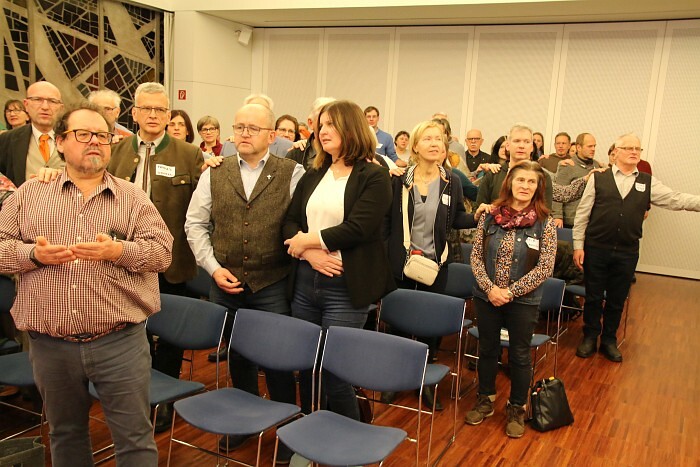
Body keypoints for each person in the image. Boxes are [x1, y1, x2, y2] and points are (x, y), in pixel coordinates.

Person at [0, 103, 173, 466]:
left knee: (135, 439)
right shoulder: (30, 194)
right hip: (50, 346)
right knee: (65, 434)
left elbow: (162, 254)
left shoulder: (133, 198)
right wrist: (33, 255)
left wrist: (118, 250)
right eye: (83, 134)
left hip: (119, 343)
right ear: (60, 142)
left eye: (102, 135)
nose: (95, 141)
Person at [185, 102, 304, 460]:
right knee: (238, 356)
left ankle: (288, 430)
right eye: (239, 127)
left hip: (272, 281)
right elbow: (195, 224)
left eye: (253, 128)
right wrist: (212, 268)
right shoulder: (214, 171)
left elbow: (303, 222)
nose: (245, 134)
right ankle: (245, 422)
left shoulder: (292, 172)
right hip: (225, 281)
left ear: (272, 135)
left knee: (278, 359)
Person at [283, 100, 394, 421]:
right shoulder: (314, 173)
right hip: (305, 281)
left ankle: (351, 439)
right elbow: (290, 222)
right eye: (321, 125)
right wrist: (309, 253)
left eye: (331, 124)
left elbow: (359, 228)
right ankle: (309, 433)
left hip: (346, 286)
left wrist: (307, 240)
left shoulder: (375, 176)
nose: (323, 130)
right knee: (307, 366)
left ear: (352, 128)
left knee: (335, 371)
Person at [109, 82, 204, 429]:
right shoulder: (116, 151)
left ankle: (165, 397)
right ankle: (140, 390)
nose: (153, 115)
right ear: (134, 113)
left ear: (168, 115)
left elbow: (200, 211)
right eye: (146, 108)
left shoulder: (189, 154)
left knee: (171, 332)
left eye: (160, 109)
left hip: (172, 261)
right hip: (122, 260)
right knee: (135, 330)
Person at [382, 120, 485, 408]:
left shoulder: (451, 181)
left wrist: (476, 217)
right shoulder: (398, 179)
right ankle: (396, 378)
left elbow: (456, 218)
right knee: (399, 324)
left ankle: (424, 382)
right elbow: (385, 222)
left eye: (439, 139)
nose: (434, 143)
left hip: (436, 265)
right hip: (401, 263)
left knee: (429, 326)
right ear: (415, 146)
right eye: (427, 138)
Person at [573, 133, 700, 363]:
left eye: (638, 149)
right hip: (596, 248)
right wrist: (578, 245)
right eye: (629, 148)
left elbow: (675, 199)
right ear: (616, 152)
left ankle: (609, 340)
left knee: (617, 299)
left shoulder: (647, 181)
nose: (634, 152)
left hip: (626, 252)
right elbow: (582, 214)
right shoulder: (598, 178)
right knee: (593, 297)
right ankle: (590, 337)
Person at [466, 160, 557, 439]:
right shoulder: (489, 216)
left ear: (538, 187)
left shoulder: (545, 223)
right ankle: (485, 399)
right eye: (520, 180)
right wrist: (490, 288)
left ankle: (517, 407)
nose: (525, 186)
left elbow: (545, 267)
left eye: (531, 182)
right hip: (487, 296)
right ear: (510, 183)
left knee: (519, 355)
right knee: (488, 350)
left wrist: (510, 292)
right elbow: (475, 257)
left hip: (523, 301)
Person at [0, 81, 64, 186]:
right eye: (37, 100)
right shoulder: (7, 140)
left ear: (61, 107)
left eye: (52, 101)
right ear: (26, 105)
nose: (45, 107)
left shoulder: (74, 137)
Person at [477, 125, 553, 209]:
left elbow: (545, 211)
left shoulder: (543, 176)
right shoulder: (493, 174)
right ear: (508, 146)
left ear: (532, 147)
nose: (521, 146)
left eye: (526, 142)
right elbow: (479, 208)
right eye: (516, 141)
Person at [552, 133, 602, 228]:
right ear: (579, 147)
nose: (593, 149)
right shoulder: (567, 165)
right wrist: (557, 216)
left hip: (590, 220)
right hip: (571, 220)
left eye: (594, 146)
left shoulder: (597, 165)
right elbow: (558, 192)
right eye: (589, 146)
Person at [286, 97, 335, 169]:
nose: (325, 129)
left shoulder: (345, 155)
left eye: (332, 122)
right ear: (311, 123)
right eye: (321, 122)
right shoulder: (296, 155)